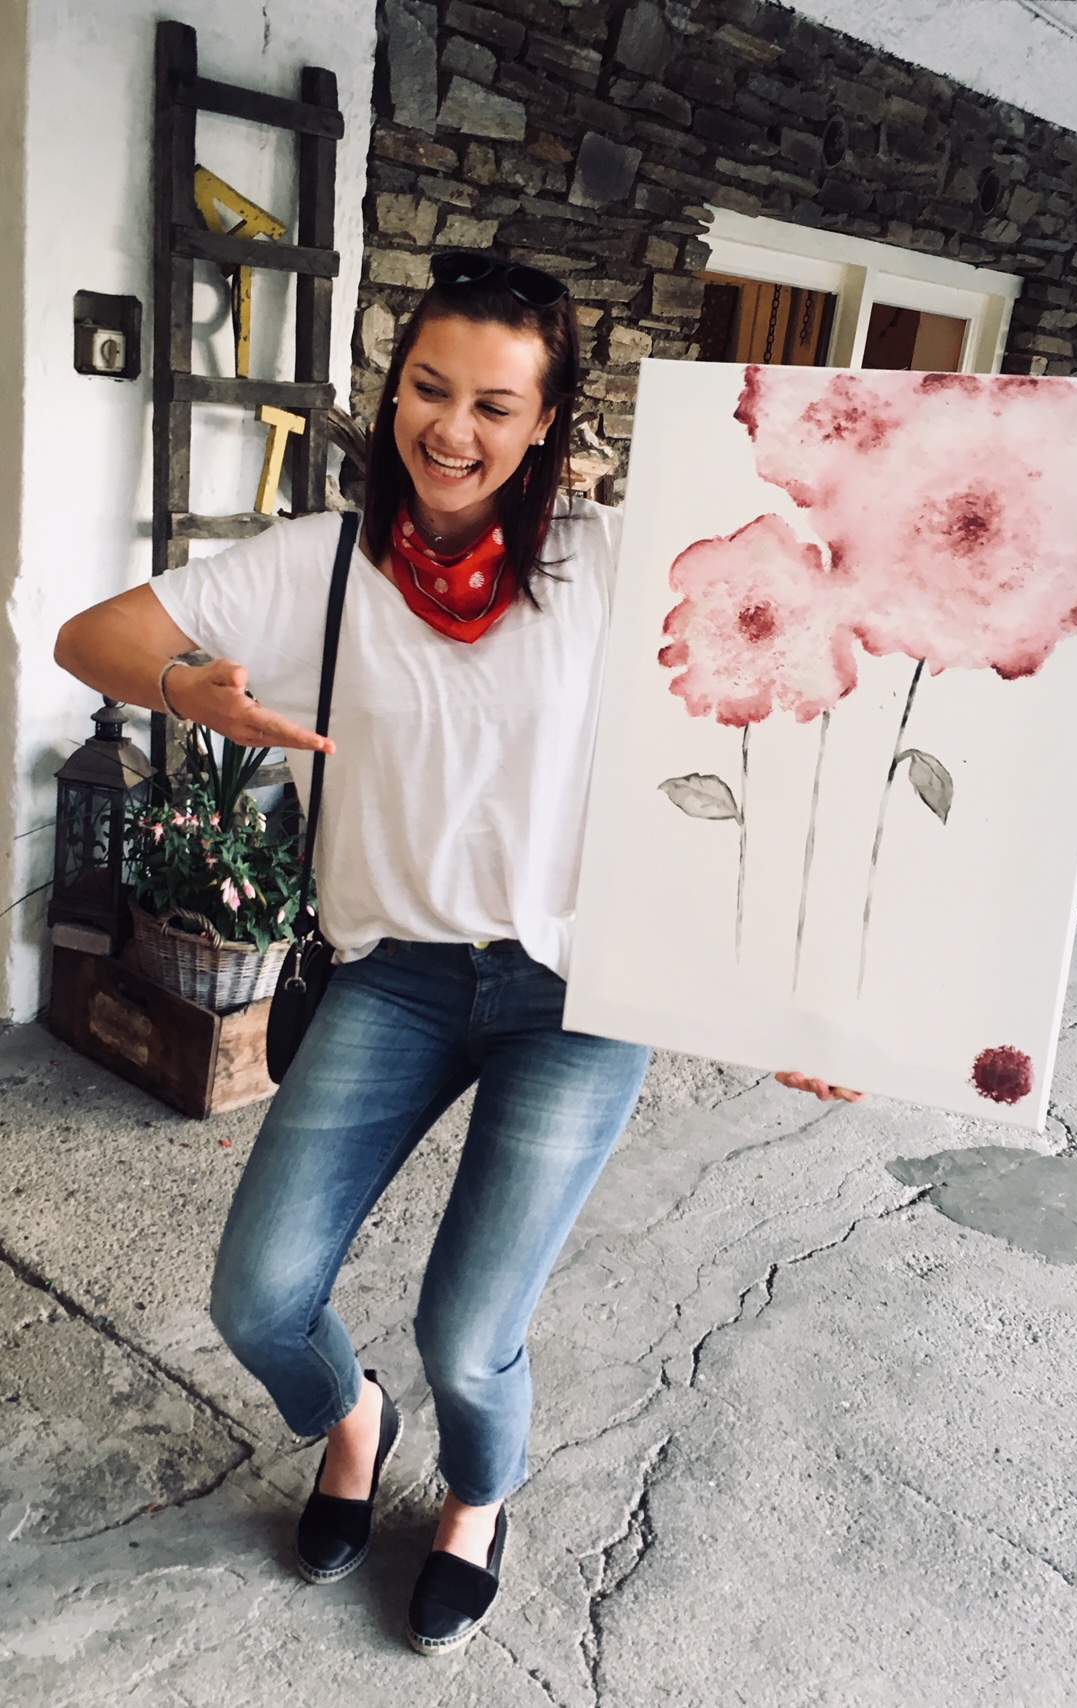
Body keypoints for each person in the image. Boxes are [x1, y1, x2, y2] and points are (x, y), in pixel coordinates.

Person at [54, 251, 862, 1656]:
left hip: (581, 993)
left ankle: (477, 1501)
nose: (453, 429)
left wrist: (799, 1001)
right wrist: (194, 690)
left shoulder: (615, 563)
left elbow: (783, 731)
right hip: (397, 978)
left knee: (469, 1332)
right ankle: (352, 1422)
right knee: (259, 1296)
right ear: (396, 392)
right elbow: (91, 637)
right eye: (430, 389)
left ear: (544, 423)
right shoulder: (319, 564)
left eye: (495, 405)